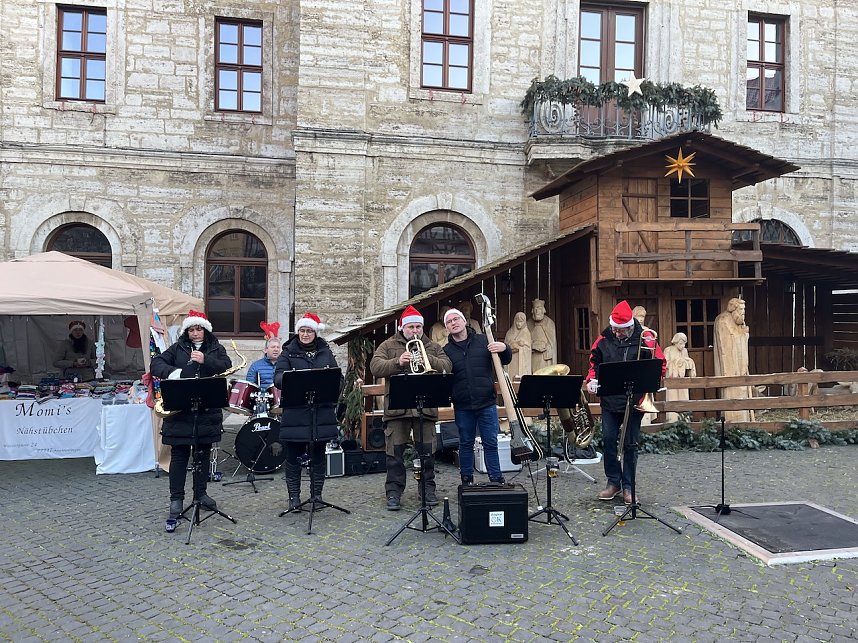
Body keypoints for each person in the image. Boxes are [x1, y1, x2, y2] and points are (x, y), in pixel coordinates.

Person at [149, 310, 231, 526]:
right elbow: (156, 364)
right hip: (180, 412)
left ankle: (200, 495)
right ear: (187, 331)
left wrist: (206, 360)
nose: (195, 333)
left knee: (203, 456)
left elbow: (226, 365)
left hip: (206, 412)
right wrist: (176, 373)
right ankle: (176, 499)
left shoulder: (215, 348)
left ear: (205, 330)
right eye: (192, 330)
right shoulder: (177, 348)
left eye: (199, 329)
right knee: (179, 456)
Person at [369, 305, 452, 511]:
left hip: (425, 408)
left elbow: (447, 366)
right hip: (397, 408)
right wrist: (398, 362)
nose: (415, 331)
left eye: (418, 327)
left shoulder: (432, 346)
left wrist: (425, 358)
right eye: (410, 327)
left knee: (427, 452)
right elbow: (375, 366)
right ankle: (394, 493)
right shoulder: (388, 345)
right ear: (402, 327)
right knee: (394, 454)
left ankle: (427, 490)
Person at [584, 300, 666, 505]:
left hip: (634, 400)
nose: (616, 333)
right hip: (610, 401)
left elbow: (660, 365)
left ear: (630, 327)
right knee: (609, 440)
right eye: (614, 329)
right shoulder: (603, 340)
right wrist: (591, 380)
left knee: (630, 445)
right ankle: (614, 482)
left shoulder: (646, 339)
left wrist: (651, 379)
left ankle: (629, 486)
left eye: (620, 331)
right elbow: (594, 363)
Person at [274, 312, 343, 511]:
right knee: (294, 455)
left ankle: (317, 495)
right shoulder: (288, 352)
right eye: (302, 331)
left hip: (321, 412)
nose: (305, 334)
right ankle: (294, 497)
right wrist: (293, 379)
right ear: (298, 332)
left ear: (315, 333)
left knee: (319, 455)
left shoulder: (325, 351)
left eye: (309, 331)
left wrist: (334, 385)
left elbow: (337, 377)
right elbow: (278, 378)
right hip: (297, 412)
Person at [443, 307, 511, 485]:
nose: (453, 323)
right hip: (463, 405)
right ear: (447, 328)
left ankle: (496, 479)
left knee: (490, 442)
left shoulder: (484, 341)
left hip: (486, 402)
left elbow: (505, 359)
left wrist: (504, 348)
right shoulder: (446, 351)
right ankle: (466, 480)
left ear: (464, 321)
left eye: (456, 319)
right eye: (449, 322)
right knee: (465, 443)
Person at [713, 297, 754, 422]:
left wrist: (744, 334)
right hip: (731, 367)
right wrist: (742, 335)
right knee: (732, 394)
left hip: (741, 366)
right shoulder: (723, 320)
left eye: (744, 310)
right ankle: (733, 422)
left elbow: (739, 338)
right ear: (733, 309)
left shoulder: (739, 323)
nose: (743, 313)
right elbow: (726, 344)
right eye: (741, 309)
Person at [664, 332, 697, 423]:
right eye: (680, 344)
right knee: (672, 397)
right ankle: (672, 420)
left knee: (684, 396)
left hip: (682, 379)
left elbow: (686, 362)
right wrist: (676, 362)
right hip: (672, 379)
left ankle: (685, 419)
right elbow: (665, 364)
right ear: (675, 342)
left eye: (684, 344)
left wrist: (687, 362)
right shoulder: (668, 350)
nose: (682, 346)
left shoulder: (684, 351)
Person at [527, 298, 557, 373]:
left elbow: (552, 344)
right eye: (535, 308)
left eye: (539, 308)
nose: (537, 311)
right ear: (532, 310)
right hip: (533, 357)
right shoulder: (528, 324)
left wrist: (546, 347)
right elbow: (525, 341)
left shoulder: (549, 323)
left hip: (545, 358)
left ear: (543, 310)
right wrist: (533, 346)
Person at [504, 311, 532, 380]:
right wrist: (514, 345)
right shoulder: (510, 332)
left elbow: (528, 348)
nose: (518, 324)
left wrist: (521, 347)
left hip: (521, 362)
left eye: (521, 322)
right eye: (517, 321)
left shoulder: (526, 333)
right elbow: (506, 346)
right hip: (511, 361)